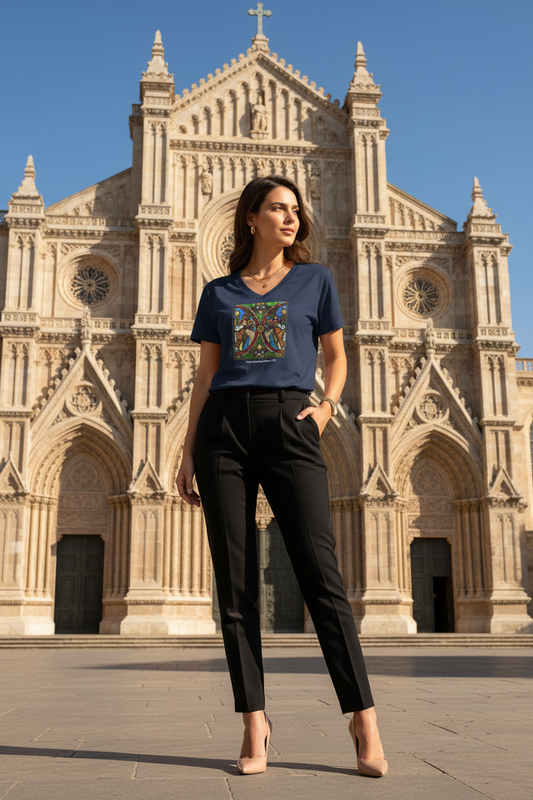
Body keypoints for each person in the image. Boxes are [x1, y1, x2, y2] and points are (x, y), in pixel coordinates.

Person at [176, 175, 387, 778]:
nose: (290, 218)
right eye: (277, 209)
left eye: (295, 210)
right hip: (224, 432)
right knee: (236, 588)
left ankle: (363, 716)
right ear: (250, 218)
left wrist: (324, 411)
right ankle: (254, 723)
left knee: (322, 576)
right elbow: (205, 377)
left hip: (292, 422)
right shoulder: (218, 293)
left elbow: (337, 356)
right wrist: (189, 450)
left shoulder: (315, 280)